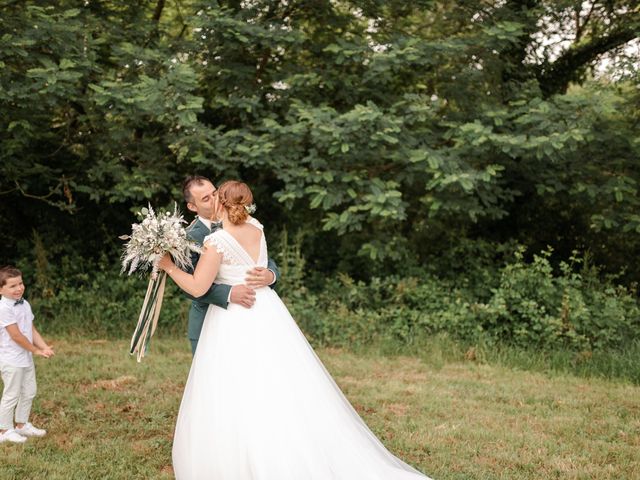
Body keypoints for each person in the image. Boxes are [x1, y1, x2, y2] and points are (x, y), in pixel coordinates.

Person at [159, 181, 432, 479]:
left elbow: (198, 285)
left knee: (238, 385)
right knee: (275, 381)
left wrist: (169, 267)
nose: (210, 200)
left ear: (222, 203)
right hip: (265, 313)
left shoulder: (218, 241)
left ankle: (245, 455)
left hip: (235, 320)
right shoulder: (256, 227)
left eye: (214, 195)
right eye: (204, 197)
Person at [181, 175, 280, 354]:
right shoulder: (189, 237)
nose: (214, 200)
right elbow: (189, 285)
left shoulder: (248, 223)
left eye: (214, 193)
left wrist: (270, 274)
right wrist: (228, 293)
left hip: (256, 310)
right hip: (208, 320)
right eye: (205, 198)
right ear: (192, 207)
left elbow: (261, 259)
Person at [0, 266, 54, 444]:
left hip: (25, 357)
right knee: (12, 394)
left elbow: (30, 329)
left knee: (29, 391)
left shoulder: (24, 303)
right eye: (12, 286)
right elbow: (15, 335)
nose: (19, 288)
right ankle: (4, 431)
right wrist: (36, 350)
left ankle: (21, 425)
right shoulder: (3, 308)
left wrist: (44, 347)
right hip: (11, 359)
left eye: (20, 283)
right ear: (1, 289)